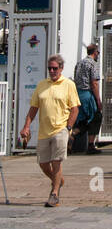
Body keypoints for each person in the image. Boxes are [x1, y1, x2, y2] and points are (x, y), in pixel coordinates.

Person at [19, 54, 80, 207]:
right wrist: (26, 126)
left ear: (61, 68)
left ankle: (54, 194)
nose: (52, 71)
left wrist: (68, 128)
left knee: (56, 162)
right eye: (50, 68)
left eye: (55, 68)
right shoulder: (41, 85)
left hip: (61, 129)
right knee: (43, 163)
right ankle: (58, 181)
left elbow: (75, 109)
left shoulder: (68, 85)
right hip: (44, 131)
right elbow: (33, 109)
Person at [70, 42, 103, 155]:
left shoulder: (79, 63)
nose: (98, 54)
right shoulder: (92, 64)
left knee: (83, 119)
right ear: (95, 52)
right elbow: (94, 83)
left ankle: (72, 136)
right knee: (96, 116)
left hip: (77, 94)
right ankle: (90, 145)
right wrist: (98, 100)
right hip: (87, 94)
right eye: (98, 52)